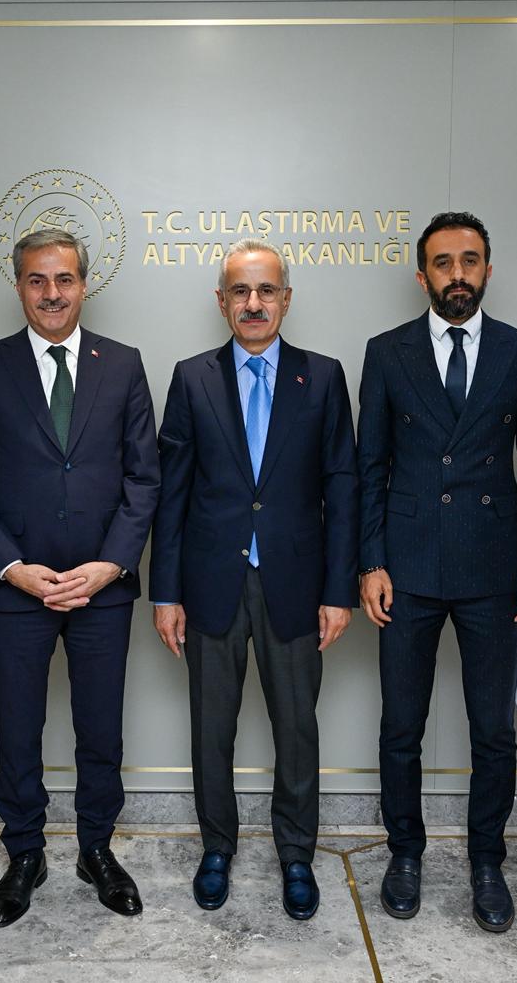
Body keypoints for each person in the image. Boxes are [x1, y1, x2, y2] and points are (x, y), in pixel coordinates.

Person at [0, 228, 160, 927]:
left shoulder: (122, 364)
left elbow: (144, 479)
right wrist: (12, 568)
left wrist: (111, 564)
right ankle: (24, 854)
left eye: (64, 279)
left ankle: (97, 849)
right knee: (18, 729)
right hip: (17, 592)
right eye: (37, 280)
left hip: (103, 590)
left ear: (84, 284)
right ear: (18, 286)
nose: (52, 293)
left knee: (101, 730)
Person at [356, 211, 517, 933]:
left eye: (469, 261)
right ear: (423, 276)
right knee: (401, 727)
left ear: (487, 270)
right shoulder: (387, 352)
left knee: (492, 731)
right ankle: (404, 854)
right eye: (443, 263)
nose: (457, 275)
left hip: (494, 565)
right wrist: (371, 561)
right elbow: (369, 466)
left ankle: (486, 863)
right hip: (407, 567)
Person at [150, 239, 357, 920]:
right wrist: (166, 592)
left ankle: (296, 854)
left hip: (295, 583)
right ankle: (217, 848)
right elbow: (172, 494)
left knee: (297, 727)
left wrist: (338, 591)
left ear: (286, 299)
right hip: (211, 582)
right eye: (240, 291)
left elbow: (342, 488)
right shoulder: (192, 378)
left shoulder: (322, 377)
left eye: (266, 290)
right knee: (212, 727)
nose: (254, 303)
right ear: (222, 302)